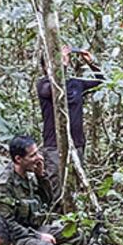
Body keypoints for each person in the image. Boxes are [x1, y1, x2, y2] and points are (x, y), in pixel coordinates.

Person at [36, 45, 104, 196]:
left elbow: (102, 83)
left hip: (77, 143)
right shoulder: (43, 85)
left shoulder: (75, 84)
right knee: (56, 188)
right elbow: (55, 90)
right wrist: (63, 65)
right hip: (55, 146)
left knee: (76, 187)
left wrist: (91, 64)